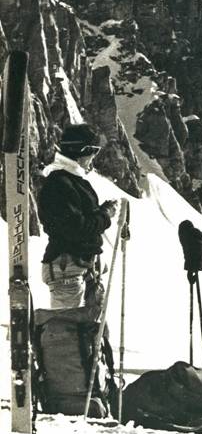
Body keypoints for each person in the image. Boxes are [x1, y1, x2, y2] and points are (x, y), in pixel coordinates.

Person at [38, 123, 117, 312]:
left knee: (88, 332)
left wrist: (101, 212)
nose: (93, 157)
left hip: (77, 265)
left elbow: (77, 221)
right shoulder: (59, 183)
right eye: (93, 151)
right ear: (82, 151)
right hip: (68, 267)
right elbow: (76, 228)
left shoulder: (69, 180)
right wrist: (105, 215)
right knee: (66, 333)